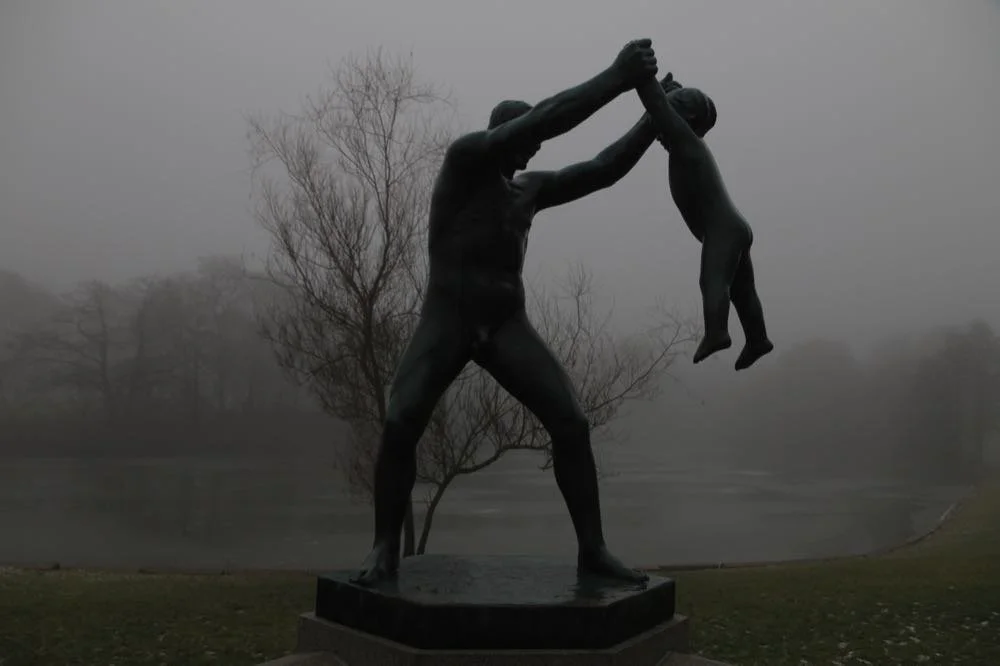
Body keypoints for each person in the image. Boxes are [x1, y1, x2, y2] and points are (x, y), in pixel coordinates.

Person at [352, 39, 674, 587]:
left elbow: (602, 168)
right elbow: (546, 119)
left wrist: (655, 116)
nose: (531, 152)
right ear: (501, 134)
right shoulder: (464, 159)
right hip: (447, 319)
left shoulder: (529, 190)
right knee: (400, 419)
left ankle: (592, 550)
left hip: (505, 324)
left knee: (571, 422)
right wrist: (617, 77)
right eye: (524, 139)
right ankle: (384, 547)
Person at [635, 78, 774, 370]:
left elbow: (658, 107)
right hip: (733, 228)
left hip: (721, 230)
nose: (658, 133)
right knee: (741, 290)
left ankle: (716, 332)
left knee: (712, 281)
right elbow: (662, 109)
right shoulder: (688, 146)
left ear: (686, 120)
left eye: (663, 125)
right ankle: (758, 339)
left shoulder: (686, 142)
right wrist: (668, 91)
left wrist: (642, 79)